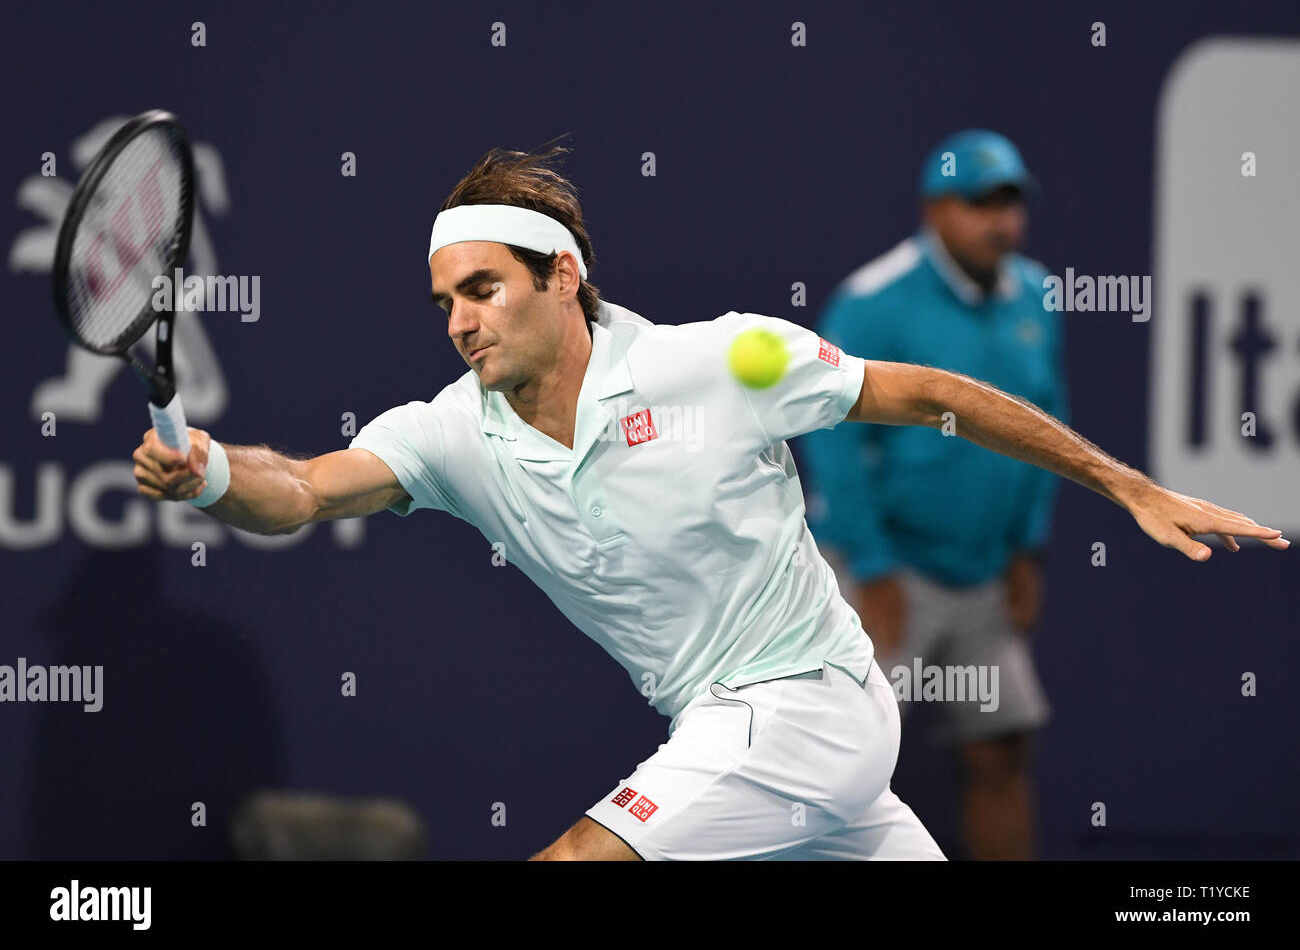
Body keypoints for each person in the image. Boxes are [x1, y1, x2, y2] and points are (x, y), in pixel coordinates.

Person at [132, 144, 1288, 861]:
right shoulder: (447, 431)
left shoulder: (720, 360)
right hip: (729, 733)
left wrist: (1124, 483)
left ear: (561, 276)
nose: (459, 320)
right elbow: (302, 489)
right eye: (445, 300)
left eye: (483, 289)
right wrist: (217, 472)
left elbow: (931, 394)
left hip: (808, 700)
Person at [801, 129, 1063, 859]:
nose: (1001, 221)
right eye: (982, 203)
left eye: (1011, 202)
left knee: (1001, 752)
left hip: (984, 575)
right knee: (837, 773)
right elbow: (834, 444)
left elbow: (1047, 426)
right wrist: (874, 567)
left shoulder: (1039, 296)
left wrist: (1026, 549)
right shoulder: (871, 302)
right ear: (936, 209)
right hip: (883, 575)